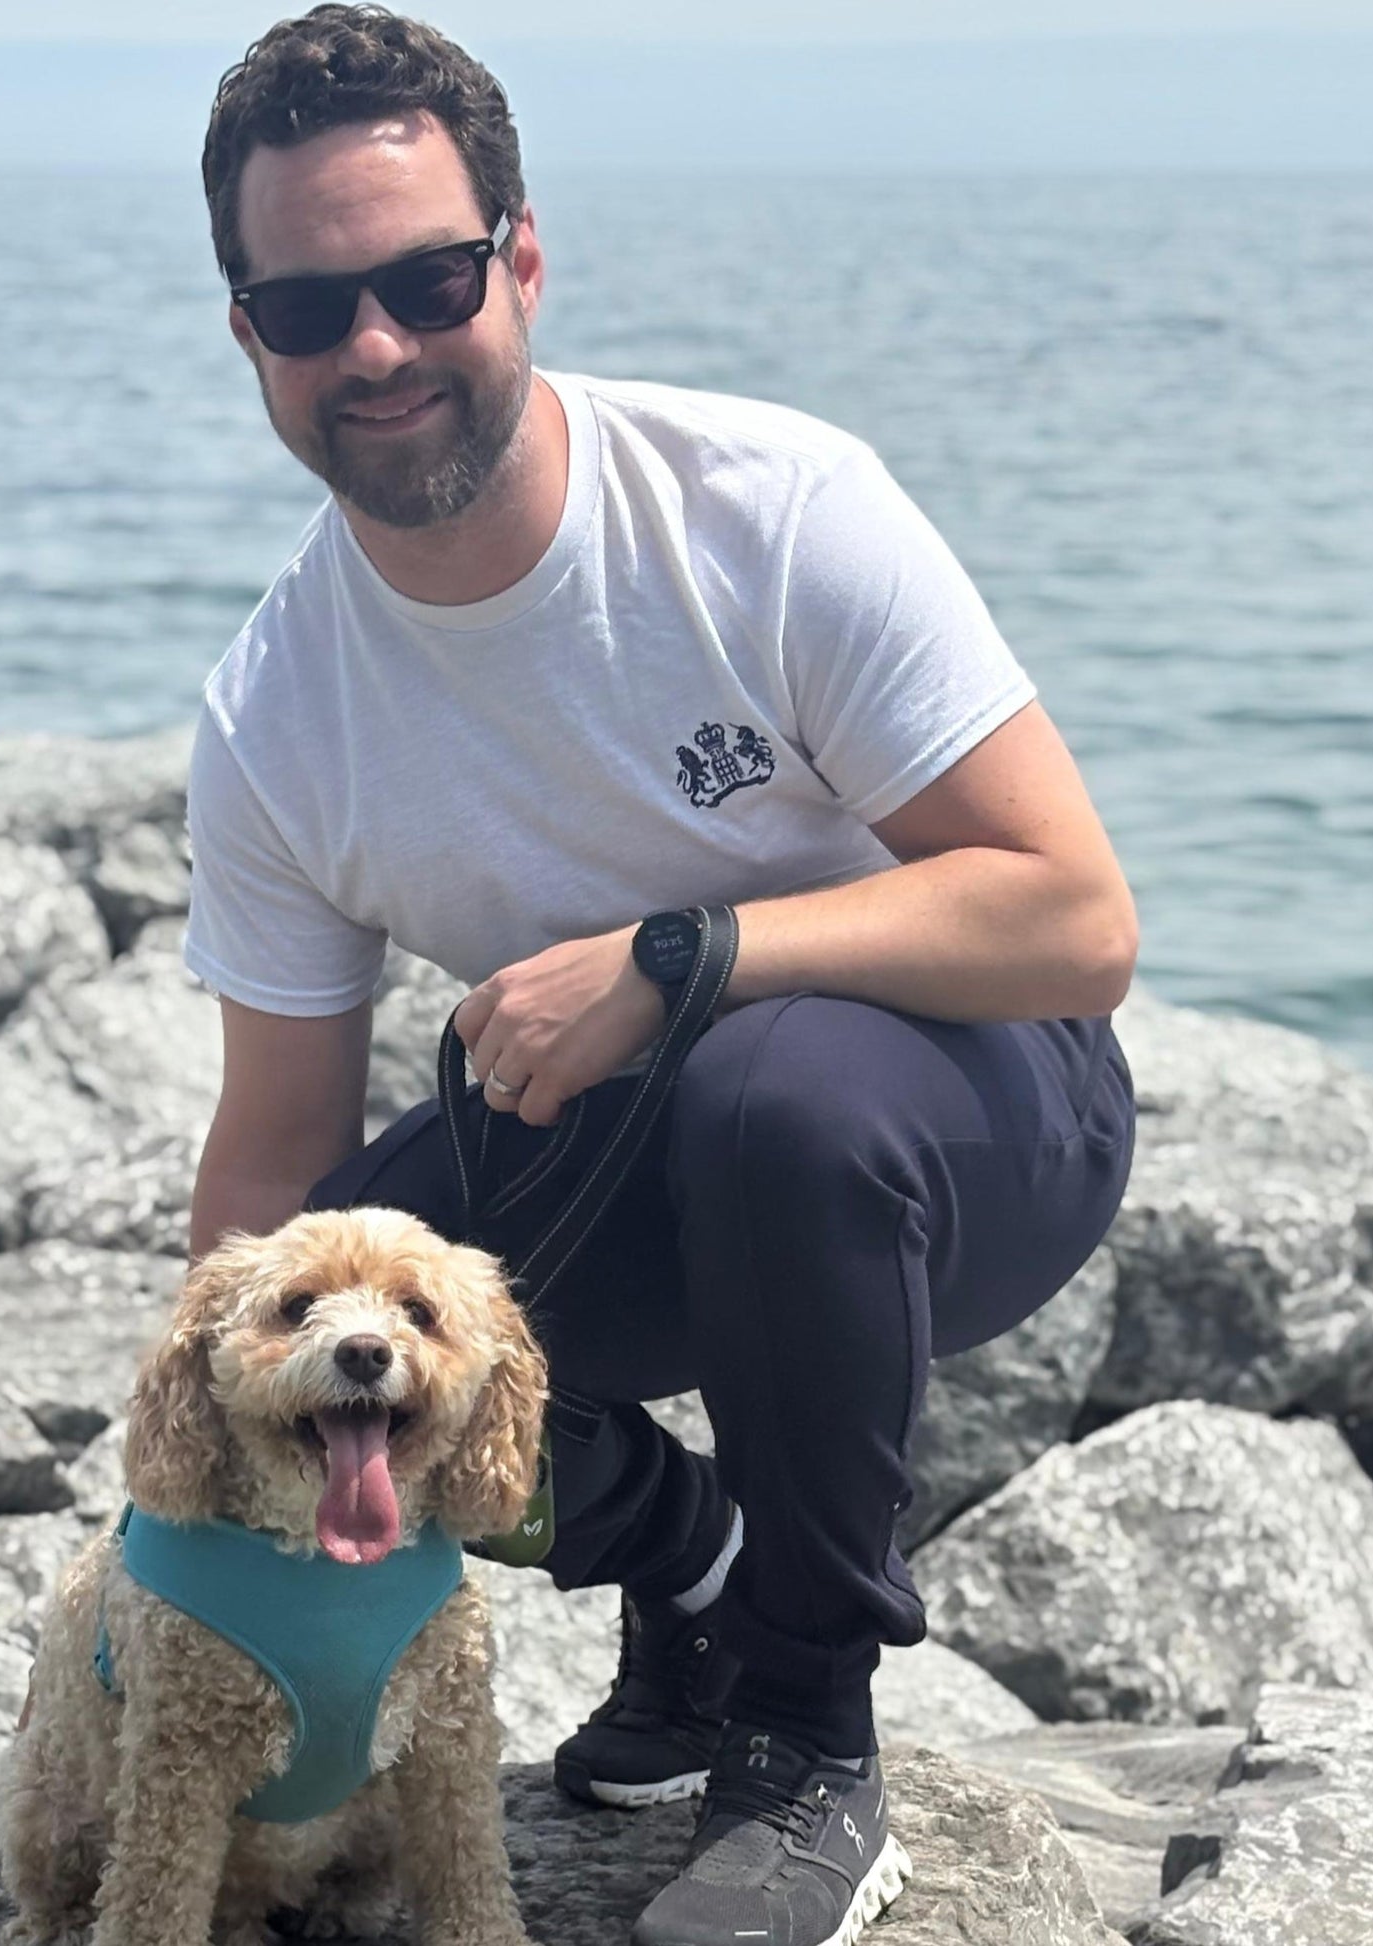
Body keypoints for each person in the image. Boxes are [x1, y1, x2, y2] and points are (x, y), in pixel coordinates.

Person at [180, 8, 1140, 1942]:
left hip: (969, 1120)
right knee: (365, 1288)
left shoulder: (761, 510)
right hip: (629, 1161)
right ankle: (687, 1564)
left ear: (518, 261)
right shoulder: (279, 713)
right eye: (308, 308)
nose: (373, 347)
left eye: (426, 279)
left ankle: (804, 1738)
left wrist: (682, 958)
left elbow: (1071, 916)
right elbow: (271, 1164)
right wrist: (192, 1483)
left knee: (772, 1088)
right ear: (251, 337)